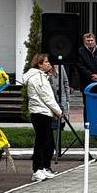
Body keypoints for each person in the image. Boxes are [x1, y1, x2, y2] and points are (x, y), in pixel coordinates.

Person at [23, 53, 62, 182]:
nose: (49, 64)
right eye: (46, 62)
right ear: (39, 64)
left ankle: (43, 167)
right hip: (40, 112)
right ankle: (36, 169)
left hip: (44, 112)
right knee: (40, 142)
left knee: (47, 141)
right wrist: (58, 111)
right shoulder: (37, 77)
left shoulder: (42, 76)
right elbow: (46, 97)